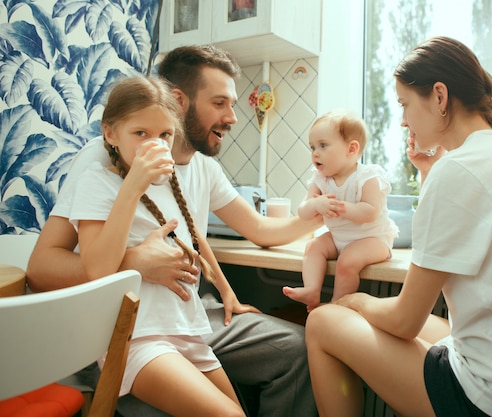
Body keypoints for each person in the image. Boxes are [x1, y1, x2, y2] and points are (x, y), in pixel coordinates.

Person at [27, 45, 321, 417]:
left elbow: (247, 230)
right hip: (132, 324)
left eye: (165, 134)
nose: (232, 117)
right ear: (180, 101)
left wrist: (321, 215)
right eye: (219, 103)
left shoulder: (195, 171)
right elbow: (44, 270)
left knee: (297, 349)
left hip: (187, 315)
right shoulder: (102, 165)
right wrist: (135, 262)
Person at [305, 36, 492, 417]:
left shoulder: (458, 168)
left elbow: (404, 321)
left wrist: (355, 302)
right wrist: (427, 172)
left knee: (324, 319)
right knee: (437, 326)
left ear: (439, 96)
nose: (402, 119)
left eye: (405, 104)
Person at [70, 76, 253, 416]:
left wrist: (227, 293)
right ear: (110, 133)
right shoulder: (97, 183)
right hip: (137, 339)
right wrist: (133, 186)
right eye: (141, 133)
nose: (155, 143)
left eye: (164, 135)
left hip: (186, 331)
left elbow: (194, 239)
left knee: (238, 411)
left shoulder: (170, 186)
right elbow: (97, 268)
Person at [282, 110, 398, 310]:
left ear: (351, 149)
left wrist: (342, 208)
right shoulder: (321, 179)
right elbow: (303, 211)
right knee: (313, 247)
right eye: (312, 147)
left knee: (347, 262)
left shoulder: (367, 176)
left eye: (323, 145)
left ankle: (338, 305)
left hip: (372, 239)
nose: (315, 153)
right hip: (338, 238)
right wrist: (315, 205)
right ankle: (311, 290)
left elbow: (370, 212)